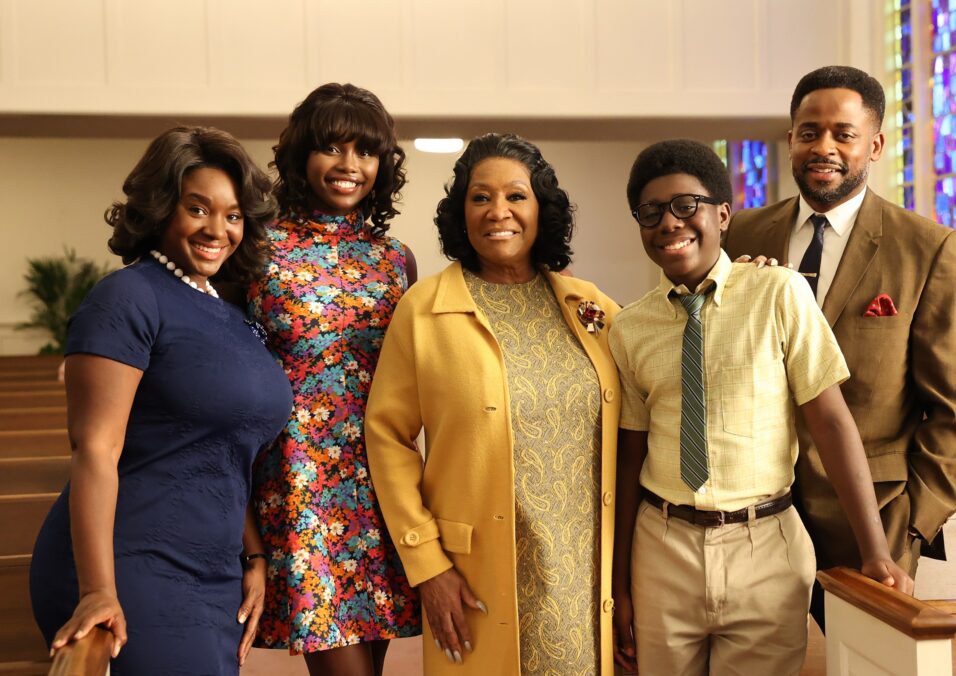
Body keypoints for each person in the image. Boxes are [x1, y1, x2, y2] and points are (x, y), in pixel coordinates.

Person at [609, 139, 913, 675]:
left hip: (765, 544)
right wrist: (620, 585)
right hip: (663, 546)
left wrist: (875, 551)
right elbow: (630, 457)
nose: (670, 223)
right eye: (650, 212)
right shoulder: (629, 326)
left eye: (686, 205)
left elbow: (831, 421)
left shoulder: (780, 293)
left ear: (723, 214)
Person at [723, 65, 956, 626]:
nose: (824, 147)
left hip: (876, 518)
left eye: (843, 133)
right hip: (751, 510)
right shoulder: (740, 235)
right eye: (808, 131)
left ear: (874, 145)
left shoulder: (929, 249)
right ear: (791, 139)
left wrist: (914, 525)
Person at [29, 126, 293, 675]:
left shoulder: (235, 315)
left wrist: (255, 552)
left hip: (212, 569)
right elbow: (94, 450)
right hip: (130, 560)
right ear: (158, 208)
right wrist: (98, 590)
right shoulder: (127, 297)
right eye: (198, 208)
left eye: (234, 214)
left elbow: (226, 449)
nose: (217, 229)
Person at [364, 133, 621, 676]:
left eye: (516, 196)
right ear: (461, 212)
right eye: (480, 197)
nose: (497, 212)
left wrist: (740, 279)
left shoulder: (592, 308)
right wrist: (427, 564)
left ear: (541, 209)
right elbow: (386, 436)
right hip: (475, 573)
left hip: (586, 575)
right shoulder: (424, 310)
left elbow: (666, 366)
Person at [247, 83, 421, 676]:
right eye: (332, 148)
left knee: (368, 665)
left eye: (365, 152)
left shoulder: (395, 257)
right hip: (301, 482)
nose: (350, 167)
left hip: (383, 480)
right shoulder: (257, 246)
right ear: (300, 155)